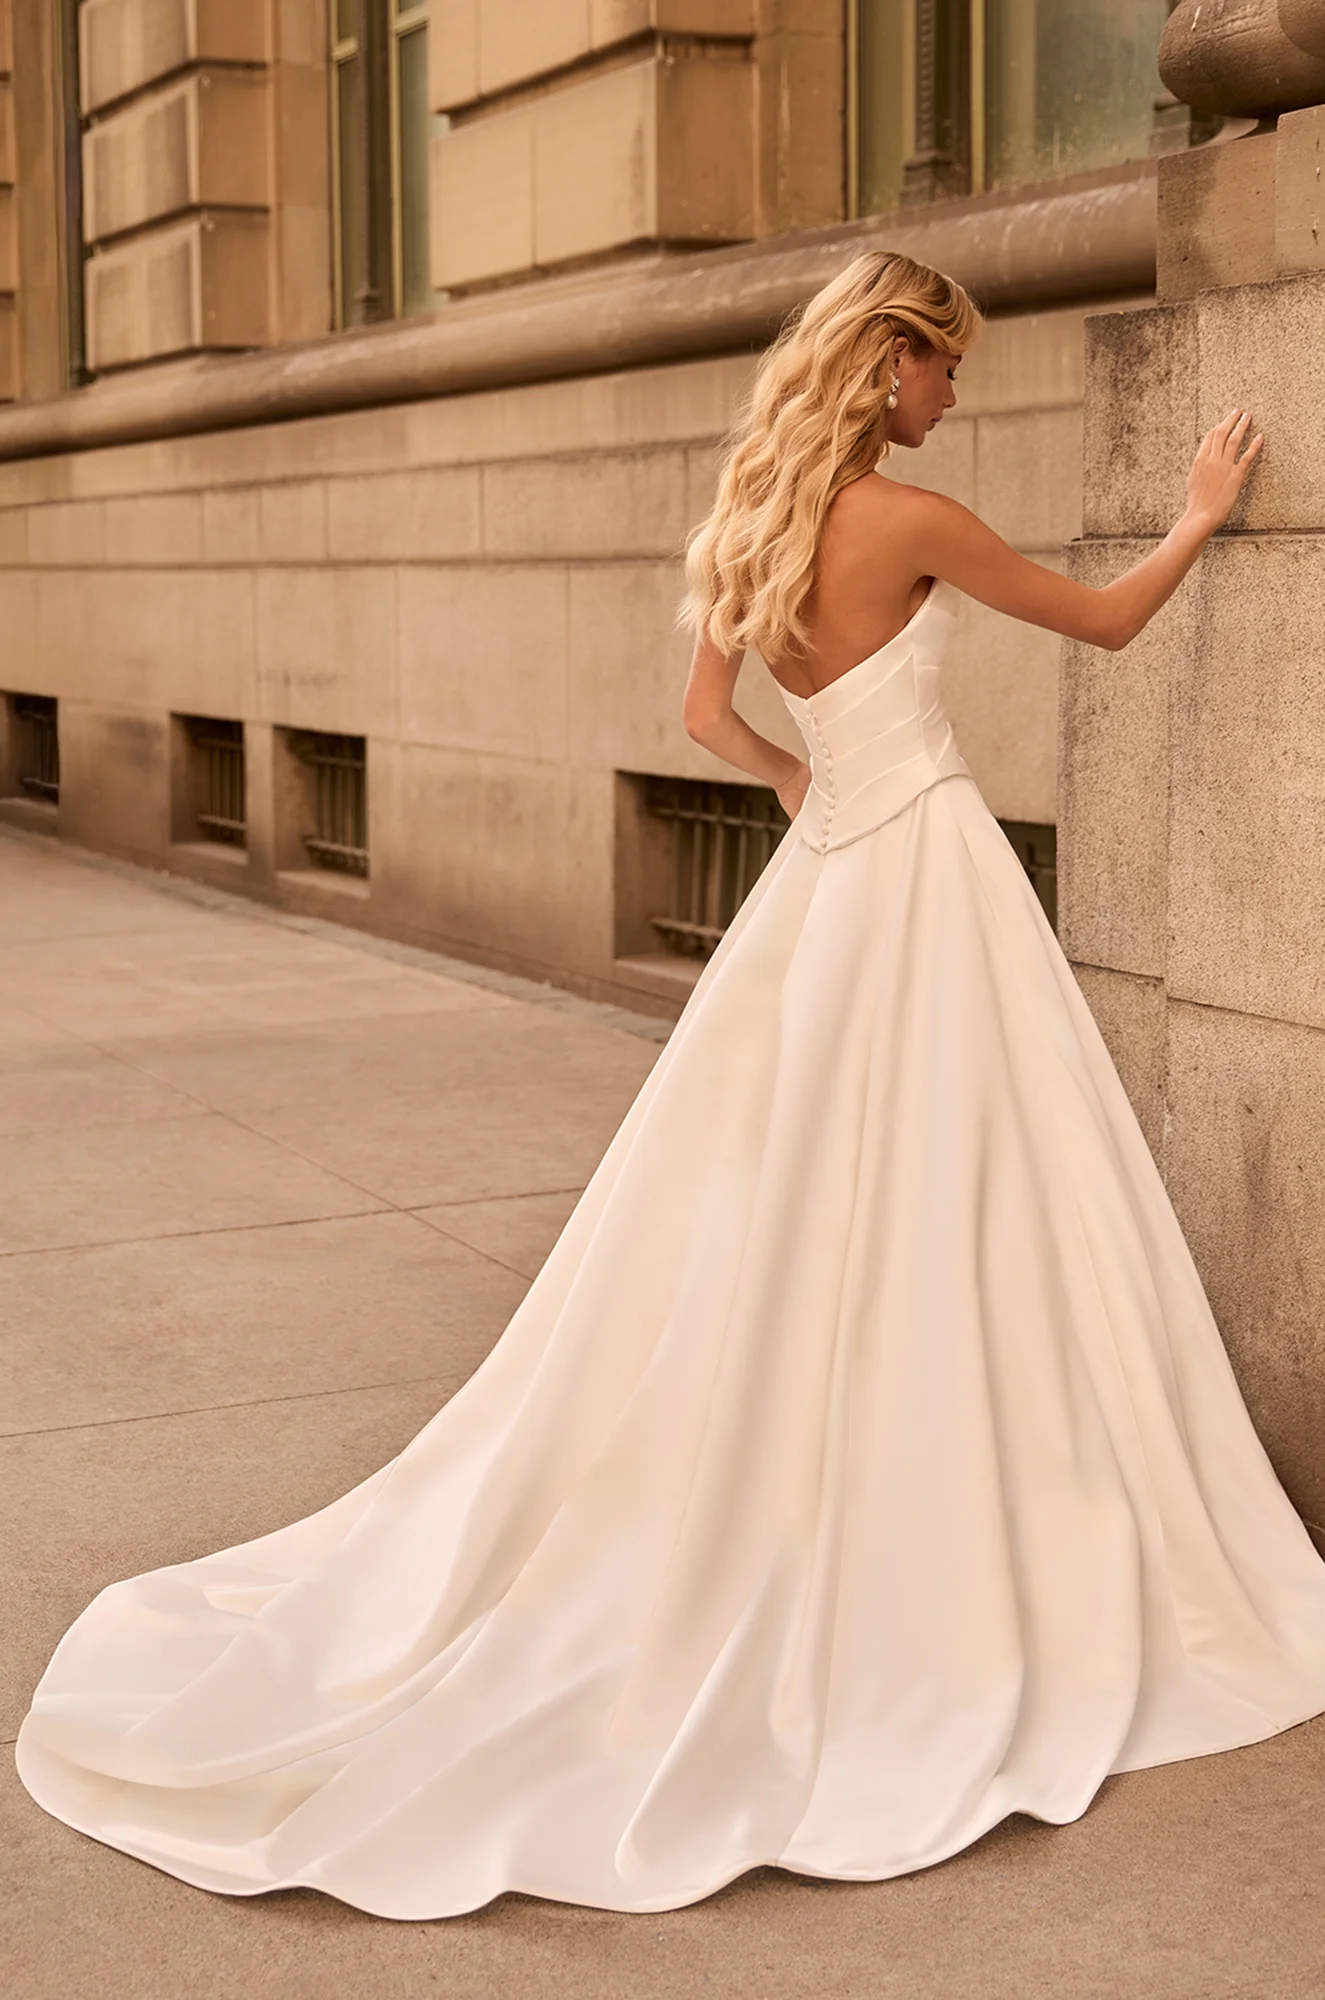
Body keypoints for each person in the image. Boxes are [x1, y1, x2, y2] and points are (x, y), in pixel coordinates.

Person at [16, 251, 1325, 1923]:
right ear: (887, 365)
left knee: (804, 1192)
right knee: (975, 1178)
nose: (954, 395)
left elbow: (705, 712)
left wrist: (800, 779)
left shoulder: (762, 520)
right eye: (943, 368)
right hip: (927, 868)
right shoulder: (912, 521)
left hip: (838, 871)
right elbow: (1109, 621)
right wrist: (1202, 512)